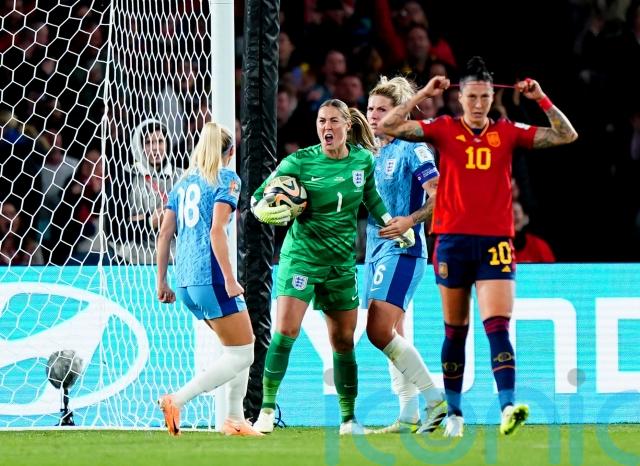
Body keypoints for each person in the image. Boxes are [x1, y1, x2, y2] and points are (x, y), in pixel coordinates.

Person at [379, 57, 578, 437]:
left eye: (484, 97)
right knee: (455, 330)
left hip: (496, 242)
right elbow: (388, 126)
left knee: (497, 326)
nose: (477, 104)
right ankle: (454, 414)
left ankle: (508, 406)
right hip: (452, 241)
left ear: (490, 97)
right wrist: (423, 94)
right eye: (471, 97)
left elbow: (566, 135)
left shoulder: (507, 131)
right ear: (460, 97)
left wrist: (541, 98)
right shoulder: (443, 128)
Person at [250, 99, 415, 435]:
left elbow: (371, 197)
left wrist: (392, 224)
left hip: (340, 264)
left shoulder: (362, 160)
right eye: (322, 121)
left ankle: (348, 420)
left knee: (343, 342)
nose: (327, 127)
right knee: (286, 331)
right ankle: (265, 410)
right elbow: (258, 196)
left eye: (333, 121)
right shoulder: (299, 161)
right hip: (302, 258)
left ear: (347, 126)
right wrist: (261, 210)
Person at [156, 122, 262, 437]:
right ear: (231, 151)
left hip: (185, 282)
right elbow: (217, 230)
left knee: (237, 348)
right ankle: (177, 400)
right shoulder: (227, 178)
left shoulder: (182, 183)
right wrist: (230, 279)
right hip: (211, 277)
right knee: (244, 352)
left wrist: (161, 282)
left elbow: (164, 234)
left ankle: (235, 420)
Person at [364, 75, 447, 434]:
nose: (373, 115)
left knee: (379, 330)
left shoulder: (415, 149)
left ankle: (435, 399)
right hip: (374, 249)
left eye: (381, 109)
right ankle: (408, 414)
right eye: (370, 108)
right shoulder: (370, 151)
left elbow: (439, 193)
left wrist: (410, 220)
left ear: (398, 113)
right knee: (393, 332)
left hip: (404, 248)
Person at [111, 119, 181, 264]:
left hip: (175, 255)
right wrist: (150, 221)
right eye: (148, 143)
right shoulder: (125, 178)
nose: (155, 148)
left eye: (160, 141)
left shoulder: (181, 177)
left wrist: (139, 219)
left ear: (167, 143)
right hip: (134, 257)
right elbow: (116, 229)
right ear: (139, 146)